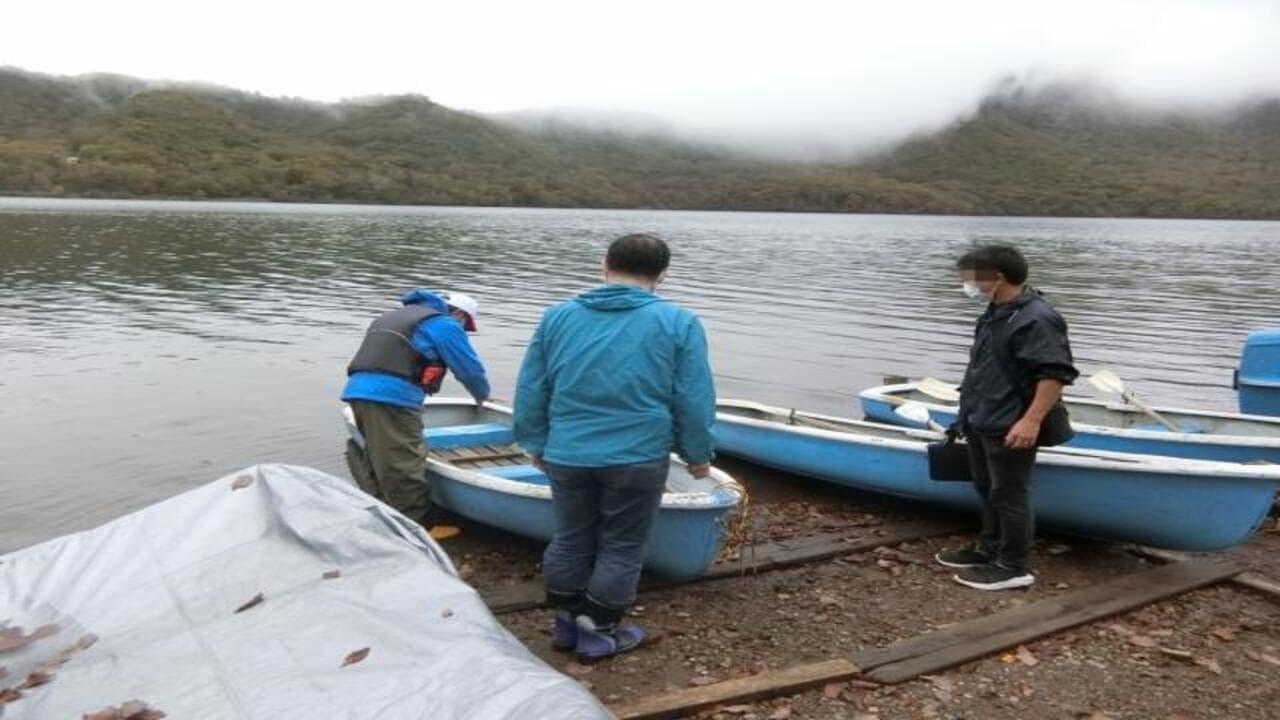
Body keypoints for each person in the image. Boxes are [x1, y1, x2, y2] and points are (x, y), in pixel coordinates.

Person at [513, 233, 716, 661]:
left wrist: (533, 440)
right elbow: (693, 396)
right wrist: (697, 453)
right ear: (661, 274)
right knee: (621, 545)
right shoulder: (679, 321)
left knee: (570, 538)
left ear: (604, 263)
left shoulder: (557, 317)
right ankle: (598, 632)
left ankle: (566, 624)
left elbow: (533, 385)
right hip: (637, 455)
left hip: (567, 451)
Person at [935, 244, 1079, 591]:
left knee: (1010, 492)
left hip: (1011, 422)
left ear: (997, 277)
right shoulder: (994, 312)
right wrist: (964, 415)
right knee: (985, 486)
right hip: (982, 416)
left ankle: (1013, 566)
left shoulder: (1037, 317)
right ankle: (989, 547)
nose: (966, 284)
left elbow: (1054, 374)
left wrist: (1030, 421)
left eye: (971, 277)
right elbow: (983, 368)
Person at [342, 289, 490, 528]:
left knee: (376, 457)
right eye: (465, 324)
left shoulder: (391, 316)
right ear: (460, 314)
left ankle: (383, 513)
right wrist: (482, 396)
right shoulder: (445, 324)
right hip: (392, 398)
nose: (463, 329)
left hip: (358, 393)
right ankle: (416, 526)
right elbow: (469, 369)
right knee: (404, 462)